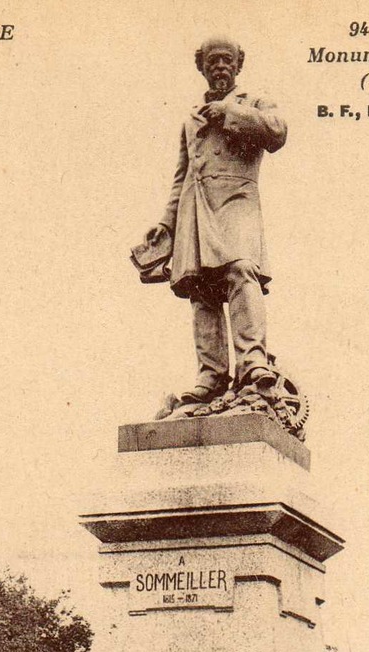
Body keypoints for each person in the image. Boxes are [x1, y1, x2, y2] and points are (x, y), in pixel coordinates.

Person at [145, 37, 287, 404]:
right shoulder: (191, 119)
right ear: (203, 68)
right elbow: (182, 176)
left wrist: (228, 114)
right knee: (201, 290)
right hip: (196, 208)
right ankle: (211, 374)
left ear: (238, 65)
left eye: (227, 60)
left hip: (236, 199)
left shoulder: (253, 103)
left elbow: (277, 132)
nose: (220, 67)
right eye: (212, 62)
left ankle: (253, 361)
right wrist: (166, 224)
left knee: (241, 270)